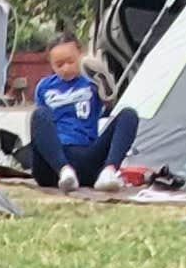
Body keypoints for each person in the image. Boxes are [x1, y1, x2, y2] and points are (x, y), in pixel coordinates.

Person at [28, 40, 118, 189]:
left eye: (70, 61)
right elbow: (40, 126)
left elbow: (110, 103)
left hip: (85, 153)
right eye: (59, 64)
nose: (66, 68)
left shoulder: (92, 83)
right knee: (39, 114)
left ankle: (109, 172)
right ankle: (65, 171)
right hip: (53, 161)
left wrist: (102, 80)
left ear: (80, 56)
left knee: (128, 115)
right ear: (51, 65)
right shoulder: (44, 86)